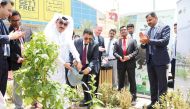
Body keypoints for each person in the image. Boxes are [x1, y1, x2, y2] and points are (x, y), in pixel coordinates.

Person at [140, 12, 170, 109]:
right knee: (152, 83)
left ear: (156, 18)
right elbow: (144, 45)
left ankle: (162, 105)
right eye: (147, 21)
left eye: (150, 20)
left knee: (162, 84)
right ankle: (153, 102)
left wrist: (149, 41)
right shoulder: (148, 30)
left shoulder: (164, 27)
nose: (148, 22)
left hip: (160, 61)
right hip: (150, 60)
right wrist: (143, 42)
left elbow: (165, 41)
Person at [44, 13, 82, 85]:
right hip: (51, 66)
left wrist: (78, 60)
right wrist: (64, 63)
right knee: (52, 86)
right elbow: (52, 53)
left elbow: (72, 48)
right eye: (61, 23)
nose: (62, 26)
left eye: (65, 24)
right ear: (56, 22)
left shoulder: (66, 35)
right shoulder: (50, 35)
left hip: (62, 67)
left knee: (61, 87)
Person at [0, 0, 25, 96]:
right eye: (8, 10)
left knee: (2, 94)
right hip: (9, 64)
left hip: (4, 65)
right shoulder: (7, 27)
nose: (10, 13)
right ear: (0, 6)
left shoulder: (2, 23)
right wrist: (10, 37)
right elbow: (8, 42)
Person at [8, 10, 31, 109]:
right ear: (10, 21)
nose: (16, 23)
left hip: (29, 62)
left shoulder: (27, 30)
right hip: (17, 63)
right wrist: (18, 58)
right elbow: (9, 49)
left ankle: (33, 102)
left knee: (31, 82)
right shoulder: (8, 32)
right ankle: (18, 106)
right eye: (13, 21)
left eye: (18, 20)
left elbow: (33, 43)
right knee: (18, 85)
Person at [73, 29, 99, 107]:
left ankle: (91, 103)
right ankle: (86, 100)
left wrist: (89, 68)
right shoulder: (76, 42)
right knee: (84, 84)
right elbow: (72, 54)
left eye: (90, 39)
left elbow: (95, 59)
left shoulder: (95, 44)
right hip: (81, 66)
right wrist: (75, 61)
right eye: (86, 38)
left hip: (91, 66)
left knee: (90, 85)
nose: (88, 40)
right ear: (82, 35)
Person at [113, 26, 138, 104]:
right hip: (121, 63)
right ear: (120, 32)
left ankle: (133, 97)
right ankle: (120, 97)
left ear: (127, 31)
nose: (123, 31)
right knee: (120, 81)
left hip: (130, 63)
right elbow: (114, 52)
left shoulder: (133, 40)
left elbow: (136, 51)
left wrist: (129, 56)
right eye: (121, 30)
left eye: (124, 30)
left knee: (132, 80)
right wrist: (119, 57)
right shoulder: (117, 41)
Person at [93, 25, 105, 93]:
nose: (99, 32)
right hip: (91, 62)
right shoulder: (90, 37)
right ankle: (89, 96)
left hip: (99, 62)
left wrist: (104, 57)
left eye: (101, 30)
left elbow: (103, 50)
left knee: (97, 79)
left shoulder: (102, 38)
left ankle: (95, 94)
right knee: (91, 79)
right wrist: (97, 49)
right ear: (95, 29)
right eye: (98, 30)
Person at [168, 23, 177, 88]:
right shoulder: (174, 38)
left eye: (176, 28)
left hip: (179, 60)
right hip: (173, 59)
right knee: (173, 74)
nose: (175, 29)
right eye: (174, 28)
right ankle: (174, 88)